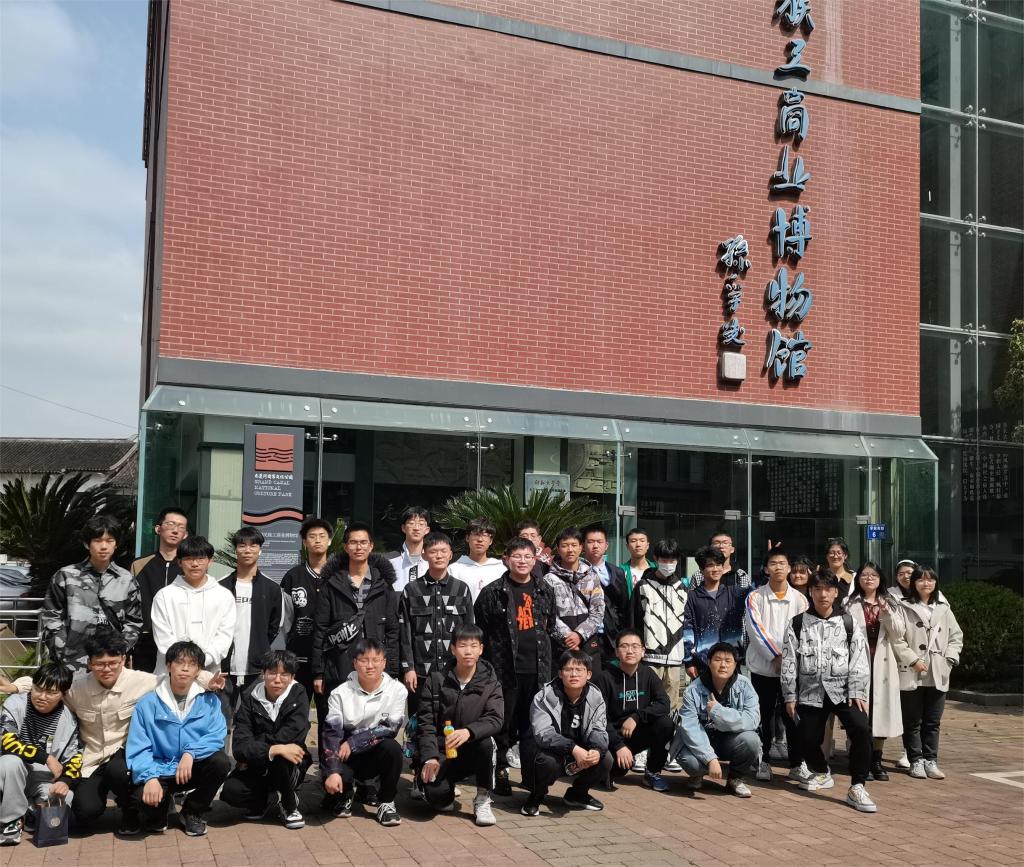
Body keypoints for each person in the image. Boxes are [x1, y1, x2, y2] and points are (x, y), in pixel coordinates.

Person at [781, 571, 877, 812]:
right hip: (810, 691)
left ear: (836, 593)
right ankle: (822, 771)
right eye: (817, 589)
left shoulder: (848, 622)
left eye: (828, 589)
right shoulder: (797, 623)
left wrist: (857, 690)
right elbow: (789, 661)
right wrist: (790, 694)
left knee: (861, 729)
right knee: (806, 738)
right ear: (810, 592)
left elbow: (859, 658)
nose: (822, 594)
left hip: (843, 691)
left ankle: (858, 785)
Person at [473, 538, 556, 796]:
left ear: (535, 560)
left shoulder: (544, 590)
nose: (522, 561)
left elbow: (551, 625)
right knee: (503, 725)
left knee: (533, 724)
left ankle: (531, 775)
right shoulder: (492, 592)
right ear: (506, 559)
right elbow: (481, 630)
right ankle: (500, 771)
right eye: (517, 556)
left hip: (537, 670)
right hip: (504, 671)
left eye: (527, 557)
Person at [126, 641, 231, 836]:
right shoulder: (147, 703)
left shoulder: (209, 700)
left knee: (221, 762)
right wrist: (150, 777)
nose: (185, 668)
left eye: (192, 664)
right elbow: (138, 747)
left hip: (191, 768)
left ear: (198, 670)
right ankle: (161, 806)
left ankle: (192, 811)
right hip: (160, 769)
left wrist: (190, 753)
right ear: (168, 666)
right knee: (144, 802)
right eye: (179, 662)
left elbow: (217, 734)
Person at [398, 531, 474, 797]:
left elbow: (469, 633)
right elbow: (405, 633)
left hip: (452, 674)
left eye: (443, 551)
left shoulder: (461, 589)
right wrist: (408, 667)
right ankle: (418, 775)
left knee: (450, 722)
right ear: (424, 555)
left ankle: (448, 774)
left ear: (451, 554)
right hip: (421, 673)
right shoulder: (411, 590)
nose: (438, 556)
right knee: (420, 723)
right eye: (433, 552)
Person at [417, 625, 503, 826]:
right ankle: (428, 781)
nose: (468, 651)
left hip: (472, 749)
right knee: (437, 798)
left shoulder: (490, 682)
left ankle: (483, 797)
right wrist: (430, 757)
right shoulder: (436, 680)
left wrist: (469, 732)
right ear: (453, 649)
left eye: (473, 646)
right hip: (443, 750)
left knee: (486, 743)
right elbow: (426, 723)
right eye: (462, 646)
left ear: (481, 649)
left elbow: (495, 718)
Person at [221, 649, 312, 830]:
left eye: (284, 674)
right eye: (272, 673)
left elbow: (294, 735)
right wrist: (272, 749)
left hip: (289, 764)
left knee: (282, 756)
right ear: (263, 674)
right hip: (257, 765)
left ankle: (289, 806)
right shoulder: (250, 698)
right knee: (231, 791)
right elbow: (239, 746)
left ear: (292, 677)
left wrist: (262, 746)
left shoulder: (299, 694)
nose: (277, 679)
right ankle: (266, 799)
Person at [321, 638, 407, 826]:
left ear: (384, 662)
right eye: (364, 660)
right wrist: (333, 771)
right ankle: (345, 794)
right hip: (347, 755)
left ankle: (387, 803)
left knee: (392, 749)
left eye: (376, 660)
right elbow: (331, 733)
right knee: (333, 776)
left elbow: (390, 728)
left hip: (372, 752)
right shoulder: (339, 693)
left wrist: (353, 742)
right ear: (354, 663)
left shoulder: (398, 690)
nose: (370, 666)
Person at [888, 566, 963, 781]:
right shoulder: (904, 606)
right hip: (912, 670)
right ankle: (916, 760)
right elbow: (897, 639)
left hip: (938, 670)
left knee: (933, 720)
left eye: (930, 579)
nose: (926, 583)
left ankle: (931, 760)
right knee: (912, 721)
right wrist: (913, 660)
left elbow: (956, 636)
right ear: (914, 583)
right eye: (921, 579)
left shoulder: (943, 608)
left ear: (936, 583)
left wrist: (949, 659)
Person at [40, 515, 142, 672]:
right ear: (87, 544)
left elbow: (133, 621)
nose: (104, 546)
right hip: (72, 661)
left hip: (111, 663)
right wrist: (60, 648)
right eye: (97, 541)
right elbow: (51, 615)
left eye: (109, 541)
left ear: (116, 544)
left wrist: (121, 649)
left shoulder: (126, 579)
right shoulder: (66, 576)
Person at [519, 650, 612, 816]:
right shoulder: (544, 696)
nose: (574, 674)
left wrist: (597, 750)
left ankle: (577, 794)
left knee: (605, 758)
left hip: (579, 753)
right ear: (560, 673)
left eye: (579, 670)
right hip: (549, 751)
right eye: (569, 669)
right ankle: (536, 795)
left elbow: (599, 729)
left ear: (588, 674)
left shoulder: (596, 697)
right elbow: (543, 734)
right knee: (545, 762)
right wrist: (573, 748)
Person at [312, 522, 400, 697]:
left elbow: (392, 630)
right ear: (346, 547)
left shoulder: (384, 585)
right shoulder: (331, 584)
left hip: (375, 667)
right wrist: (318, 672)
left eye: (363, 542)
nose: (359, 547)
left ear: (371, 546)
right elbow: (320, 629)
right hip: (340, 665)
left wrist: (393, 669)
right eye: (353, 542)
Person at [744, 547, 808, 783]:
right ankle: (763, 761)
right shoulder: (755, 597)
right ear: (765, 569)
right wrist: (775, 657)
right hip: (762, 668)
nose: (778, 567)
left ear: (789, 568)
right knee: (763, 715)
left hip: (791, 671)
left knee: (792, 715)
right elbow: (756, 630)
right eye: (773, 563)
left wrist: (788, 660)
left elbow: (804, 631)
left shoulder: (800, 600)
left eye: (782, 563)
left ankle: (797, 763)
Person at [0, 663, 82, 846]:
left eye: (51, 692)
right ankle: (11, 821)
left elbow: (75, 756)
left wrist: (65, 781)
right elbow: (7, 742)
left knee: (66, 800)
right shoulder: (15, 703)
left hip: (43, 777)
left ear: (63, 694)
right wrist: (46, 757)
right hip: (12, 772)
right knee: (9, 762)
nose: (42, 697)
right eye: (38, 689)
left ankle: (28, 810)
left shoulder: (69, 719)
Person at [669, 642, 760, 798]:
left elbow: (752, 720)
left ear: (735, 664)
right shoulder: (693, 690)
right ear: (709, 662)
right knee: (691, 762)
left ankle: (735, 779)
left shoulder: (745, 685)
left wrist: (719, 711)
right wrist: (710, 758)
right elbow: (690, 728)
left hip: (729, 741)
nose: (723, 665)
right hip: (701, 741)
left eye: (728, 660)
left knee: (751, 740)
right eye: (717, 660)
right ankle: (697, 774)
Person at [844, 562, 902, 782]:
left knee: (881, 714)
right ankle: (861, 759)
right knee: (860, 714)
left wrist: (886, 613)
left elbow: (898, 633)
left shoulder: (891, 602)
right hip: (858, 663)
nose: (869, 578)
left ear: (880, 579)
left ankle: (876, 760)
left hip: (883, 664)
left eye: (873, 575)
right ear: (858, 579)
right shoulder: (849, 603)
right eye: (865, 575)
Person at [281, 517, 334, 749]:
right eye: (312, 537)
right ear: (304, 542)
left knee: (328, 713)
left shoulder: (339, 575)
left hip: (330, 658)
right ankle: (295, 760)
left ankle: (327, 761)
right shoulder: (293, 576)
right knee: (296, 712)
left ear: (330, 541)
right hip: (299, 657)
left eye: (322, 536)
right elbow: (285, 620)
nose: (317, 541)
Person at [597, 630, 673, 792]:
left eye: (635, 646)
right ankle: (605, 769)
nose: (630, 651)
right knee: (617, 769)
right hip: (613, 735)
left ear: (643, 651)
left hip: (636, 732)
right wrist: (618, 746)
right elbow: (600, 718)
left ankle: (652, 772)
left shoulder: (648, 674)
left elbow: (664, 703)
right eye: (624, 646)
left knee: (665, 723)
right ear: (617, 652)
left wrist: (637, 717)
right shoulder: (604, 678)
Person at [150, 536, 235, 675]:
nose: (195, 564)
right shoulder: (164, 595)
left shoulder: (224, 596)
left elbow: (224, 636)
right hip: (169, 673)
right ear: (179, 562)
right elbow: (163, 637)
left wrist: (202, 661)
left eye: (201, 559)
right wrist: (182, 663)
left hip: (207, 674)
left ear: (210, 561)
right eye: (189, 559)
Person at [220, 527, 283, 705]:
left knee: (256, 717)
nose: (247, 550)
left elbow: (274, 627)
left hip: (257, 668)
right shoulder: (221, 586)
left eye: (253, 545)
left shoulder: (271, 589)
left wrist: (260, 647)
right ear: (235, 550)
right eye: (242, 545)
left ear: (260, 550)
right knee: (221, 717)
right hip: (224, 667)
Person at [629, 539, 690, 710]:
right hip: (650, 656)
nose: (668, 564)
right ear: (655, 559)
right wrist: (636, 649)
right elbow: (633, 620)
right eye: (664, 560)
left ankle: (670, 727)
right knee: (648, 700)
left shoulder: (682, 588)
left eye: (672, 560)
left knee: (672, 703)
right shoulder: (643, 586)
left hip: (675, 656)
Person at [131, 507, 188, 672]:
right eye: (170, 524)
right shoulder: (139, 565)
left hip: (179, 639)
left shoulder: (189, 566)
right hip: (145, 640)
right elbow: (131, 603)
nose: (175, 530)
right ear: (158, 529)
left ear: (185, 535)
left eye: (181, 527)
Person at [543, 527, 606, 674]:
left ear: (581, 547)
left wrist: (579, 634)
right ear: (558, 549)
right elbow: (549, 615)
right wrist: (568, 637)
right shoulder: (548, 580)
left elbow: (598, 611)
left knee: (592, 680)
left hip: (588, 641)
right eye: (565, 546)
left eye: (574, 545)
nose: (570, 550)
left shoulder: (592, 577)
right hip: (561, 643)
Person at [682, 546, 749, 677]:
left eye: (718, 565)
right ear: (701, 569)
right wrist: (688, 661)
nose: (716, 569)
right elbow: (687, 630)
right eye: (710, 565)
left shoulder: (735, 593)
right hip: (703, 662)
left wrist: (768, 569)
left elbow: (758, 594)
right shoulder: (692, 597)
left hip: (731, 661)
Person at [581, 525, 629, 666]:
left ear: (606, 545)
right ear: (583, 545)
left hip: (611, 637)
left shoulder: (617, 572)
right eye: (591, 542)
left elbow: (623, 605)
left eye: (599, 542)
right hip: (586, 636)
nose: (595, 546)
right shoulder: (577, 572)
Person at [885, 558, 917, 771]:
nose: (906, 576)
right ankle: (909, 750)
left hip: (925, 659)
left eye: (910, 573)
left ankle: (924, 753)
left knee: (924, 711)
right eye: (901, 573)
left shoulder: (929, 594)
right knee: (907, 708)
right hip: (901, 657)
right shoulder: (890, 596)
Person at [448, 517, 505, 602]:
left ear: (490, 541)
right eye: (476, 534)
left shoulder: (501, 569)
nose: (480, 540)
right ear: (467, 538)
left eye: (485, 535)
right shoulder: (454, 569)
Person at [388, 507, 431, 593]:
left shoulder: (433, 560)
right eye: (411, 523)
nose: (416, 528)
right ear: (403, 528)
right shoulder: (388, 560)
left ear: (427, 530)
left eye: (421, 524)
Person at [620, 528, 655, 597]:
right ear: (627, 546)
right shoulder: (621, 571)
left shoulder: (656, 569)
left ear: (647, 545)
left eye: (642, 541)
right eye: (633, 541)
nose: (638, 544)